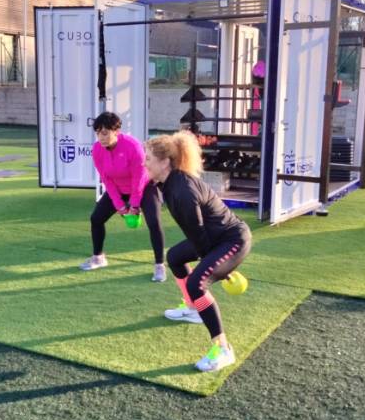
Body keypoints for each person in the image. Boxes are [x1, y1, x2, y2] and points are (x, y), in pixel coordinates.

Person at [143, 131, 252, 373]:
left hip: (232, 240)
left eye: (148, 158)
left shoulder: (182, 191)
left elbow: (199, 235)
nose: (144, 163)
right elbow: (196, 235)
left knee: (196, 284)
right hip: (212, 236)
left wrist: (220, 269)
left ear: (165, 162)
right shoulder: (168, 182)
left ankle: (223, 349)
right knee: (175, 257)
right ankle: (193, 309)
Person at [79, 112, 167, 282]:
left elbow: (139, 178)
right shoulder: (97, 149)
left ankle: (159, 265)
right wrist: (119, 204)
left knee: (154, 222)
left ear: (116, 131)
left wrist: (134, 205)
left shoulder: (132, 146)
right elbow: (106, 179)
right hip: (118, 188)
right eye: (98, 133)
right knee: (96, 219)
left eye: (105, 133)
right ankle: (98, 257)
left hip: (144, 187)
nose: (101, 137)